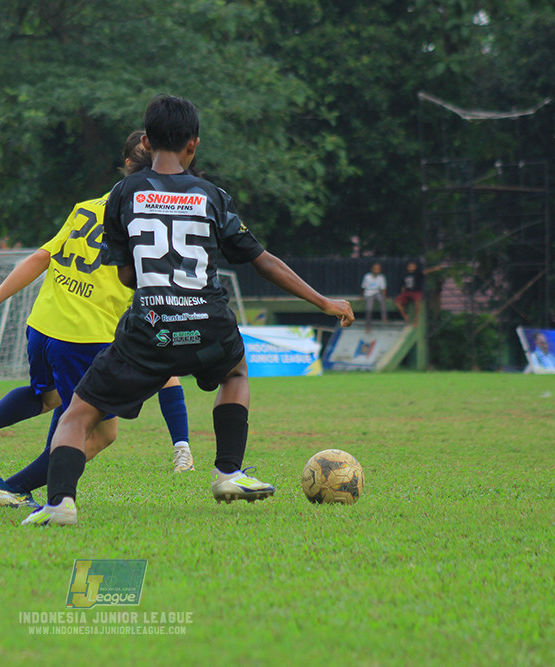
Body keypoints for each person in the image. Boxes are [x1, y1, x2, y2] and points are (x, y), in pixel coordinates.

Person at [22, 94, 354, 526]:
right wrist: (323, 301)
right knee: (235, 372)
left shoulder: (123, 194)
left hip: (150, 327)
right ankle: (228, 472)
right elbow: (262, 260)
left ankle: (60, 503)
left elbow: (125, 277)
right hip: (209, 324)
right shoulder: (212, 195)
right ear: (193, 145)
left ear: (145, 139)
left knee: (76, 416)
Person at [0, 131, 195, 510]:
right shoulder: (147, 221)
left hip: (42, 326)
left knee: (49, 397)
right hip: (85, 334)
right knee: (100, 431)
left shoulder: (86, 207)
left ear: (126, 164)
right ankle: (14, 487)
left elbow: (39, 258)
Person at [394, 260, 424, 325]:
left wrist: (435, 269)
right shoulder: (404, 274)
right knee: (397, 302)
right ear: (408, 267)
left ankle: (416, 320)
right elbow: (403, 286)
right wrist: (402, 294)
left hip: (416, 292)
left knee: (417, 302)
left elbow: (425, 272)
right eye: (410, 266)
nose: (411, 268)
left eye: (413, 266)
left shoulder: (417, 273)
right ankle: (405, 316)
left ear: (415, 267)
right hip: (407, 292)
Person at [360, 262, 387, 332]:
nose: (376, 270)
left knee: (381, 301)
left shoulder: (381, 277)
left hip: (377, 292)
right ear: (372, 269)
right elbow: (363, 287)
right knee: (369, 309)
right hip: (368, 293)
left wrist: (384, 296)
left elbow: (383, 288)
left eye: (378, 269)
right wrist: (361, 296)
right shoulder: (367, 276)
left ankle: (384, 317)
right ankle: (368, 326)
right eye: (375, 269)